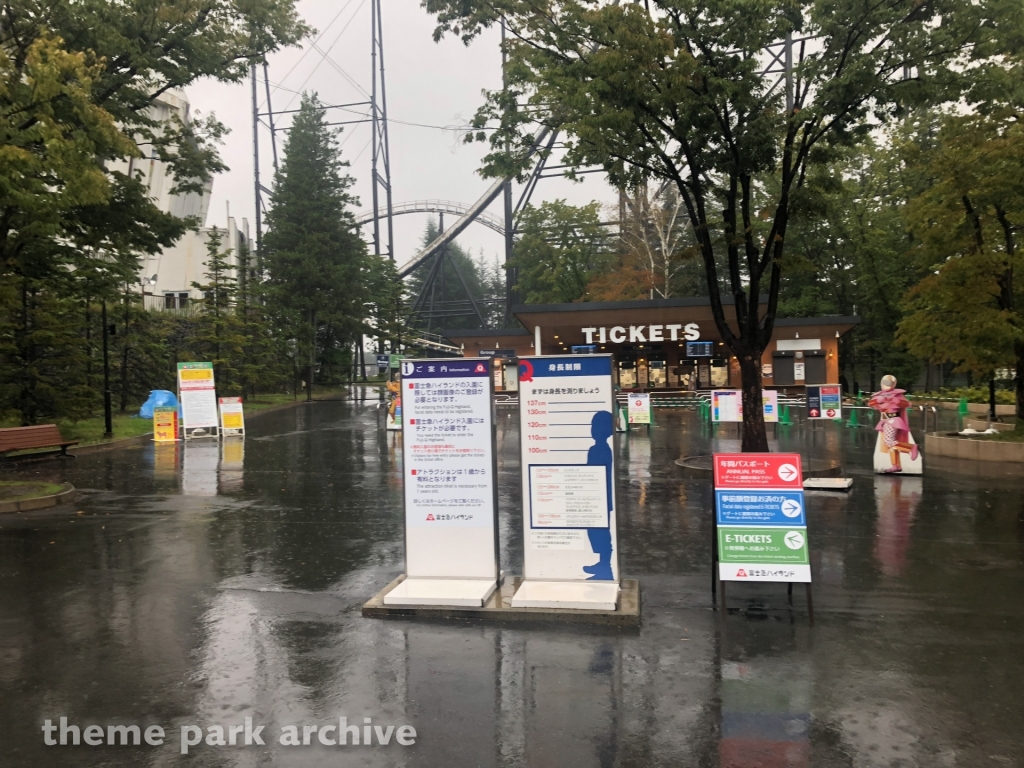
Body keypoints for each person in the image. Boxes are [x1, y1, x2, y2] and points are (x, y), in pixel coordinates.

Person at [868, 375, 919, 473]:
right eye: (885, 383)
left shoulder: (897, 394)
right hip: (885, 420)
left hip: (893, 419)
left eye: (889, 383)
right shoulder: (880, 394)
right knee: (890, 443)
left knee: (888, 441)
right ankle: (896, 465)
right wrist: (877, 401)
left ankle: (911, 447)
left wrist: (897, 401)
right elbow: (871, 403)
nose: (887, 386)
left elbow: (907, 404)